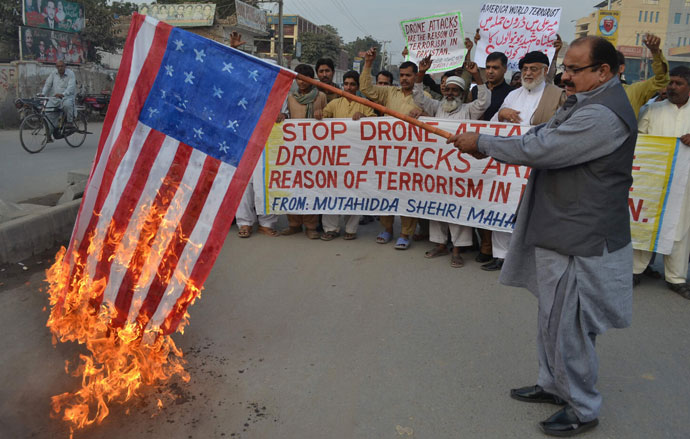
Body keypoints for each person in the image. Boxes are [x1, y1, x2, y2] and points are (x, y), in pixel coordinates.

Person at [448, 35, 636, 437]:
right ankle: (553, 384)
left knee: (569, 324)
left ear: (604, 71)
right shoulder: (581, 101)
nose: (565, 77)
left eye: (574, 70)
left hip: (581, 236)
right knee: (551, 318)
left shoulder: (603, 114)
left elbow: (546, 147)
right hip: (560, 228)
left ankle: (582, 408)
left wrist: (482, 142)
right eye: (564, 68)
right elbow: (538, 136)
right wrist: (489, 144)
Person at [482, 51, 566, 272]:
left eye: (534, 69)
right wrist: (501, 114)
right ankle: (500, 256)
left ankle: (526, 259)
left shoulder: (557, 95)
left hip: (536, 161)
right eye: (525, 69)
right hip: (509, 161)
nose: (528, 73)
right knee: (501, 205)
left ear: (545, 71)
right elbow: (492, 126)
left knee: (532, 211)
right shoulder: (513, 95)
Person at [413, 57, 490, 268]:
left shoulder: (468, 110)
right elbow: (418, 96)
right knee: (437, 205)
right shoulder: (436, 106)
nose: (450, 93)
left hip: (460, 168)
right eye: (447, 89)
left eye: (455, 91)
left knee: (457, 207)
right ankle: (439, 244)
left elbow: (484, 101)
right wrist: (421, 73)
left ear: (463, 94)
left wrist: (476, 76)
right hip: (436, 166)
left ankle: (457, 249)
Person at [632, 66, 690, 299]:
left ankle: (676, 277)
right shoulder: (652, 110)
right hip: (653, 178)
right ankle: (636, 269)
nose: (672, 87)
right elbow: (640, 142)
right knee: (646, 222)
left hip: (685, 182)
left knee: (680, 227)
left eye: (678, 84)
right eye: (670, 83)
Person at [359, 46, 424, 250]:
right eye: (402, 75)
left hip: (411, 154)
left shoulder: (424, 96)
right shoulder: (389, 93)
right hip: (386, 153)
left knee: (407, 193)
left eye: (408, 75)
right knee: (385, 191)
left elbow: (433, 116)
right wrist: (368, 63)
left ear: (415, 77)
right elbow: (367, 89)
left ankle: (406, 232)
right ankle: (386, 229)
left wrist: (420, 110)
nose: (404, 78)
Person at [318, 70, 376, 241]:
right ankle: (331, 228)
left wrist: (365, 117)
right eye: (346, 84)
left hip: (357, 156)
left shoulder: (366, 104)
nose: (349, 87)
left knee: (354, 190)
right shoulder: (335, 104)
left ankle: (351, 229)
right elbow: (321, 119)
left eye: (352, 84)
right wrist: (318, 113)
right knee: (331, 190)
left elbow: (376, 125)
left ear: (358, 87)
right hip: (335, 156)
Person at [471, 51, 513, 263]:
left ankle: (493, 248)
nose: (490, 71)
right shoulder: (476, 91)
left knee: (494, 201)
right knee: (475, 198)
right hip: (475, 151)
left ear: (505, 69)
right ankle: (482, 242)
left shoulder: (512, 94)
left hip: (498, 154)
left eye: (495, 68)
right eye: (487, 67)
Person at [281, 64, 327, 239]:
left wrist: (321, 115)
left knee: (311, 188)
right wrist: (283, 117)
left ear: (311, 79)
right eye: (298, 78)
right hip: (293, 150)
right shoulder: (290, 97)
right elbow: (286, 115)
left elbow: (329, 118)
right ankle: (293, 223)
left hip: (315, 149)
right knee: (292, 186)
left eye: (305, 78)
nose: (301, 82)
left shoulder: (320, 96)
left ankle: (310, 225)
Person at [618, 33, 669, 117]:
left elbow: (661, 79)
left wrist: (655, 52)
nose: (602, 73)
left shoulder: (633, 92)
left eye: (608, 67)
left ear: (621, 68)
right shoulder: (590, 93)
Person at [41, 60, 76, 141]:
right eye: (58, 66)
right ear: (56, 67)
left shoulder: (71, 74)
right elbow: (48, 84)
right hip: (55, 98)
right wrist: (43, 93)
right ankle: (50, 132)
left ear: (65, 66)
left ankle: (69, 122)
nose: (60, 68)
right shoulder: (53, 74)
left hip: (67, 97)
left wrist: (63, 94)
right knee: (47, 112)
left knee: (67, 104)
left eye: (62, 66)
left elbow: (71, 87)